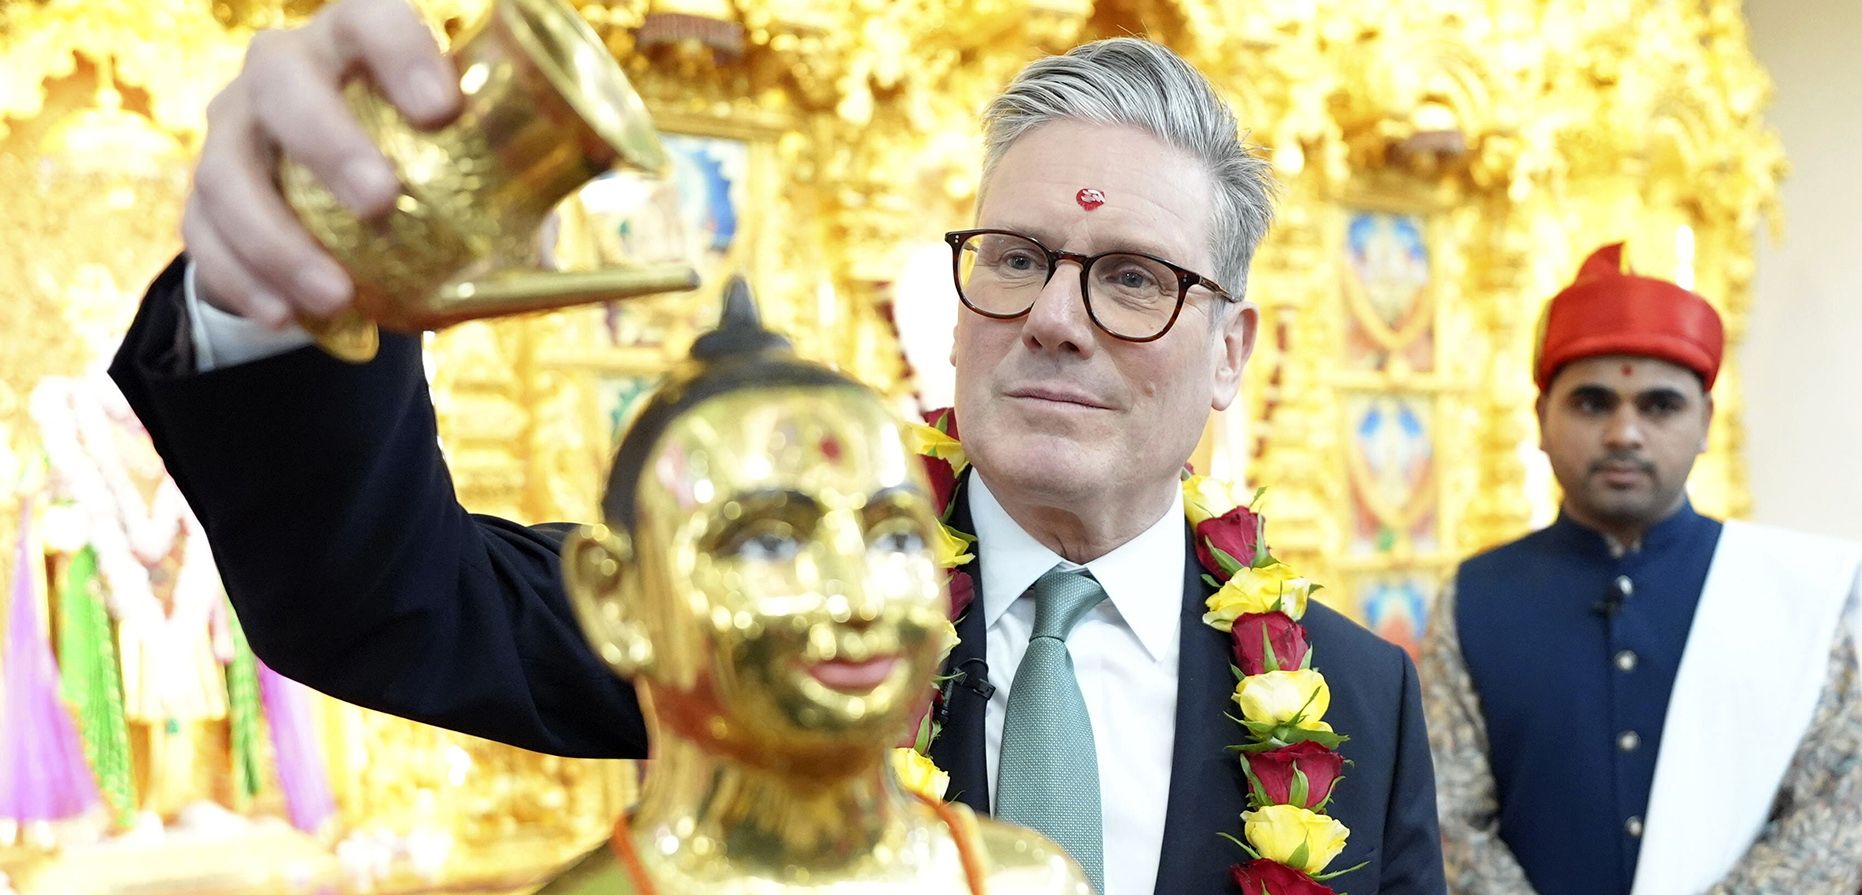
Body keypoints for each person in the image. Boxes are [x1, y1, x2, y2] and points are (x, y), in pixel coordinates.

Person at [108, 1, 1445, 892]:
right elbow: (385, 599)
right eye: (1019, 257)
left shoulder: (1352, 697)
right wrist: (281, 300)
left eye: (1136, 278)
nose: (1051, 317)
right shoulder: (749, 591)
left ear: (1233, 350)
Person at [532, 280, 1087, 895]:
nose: (858, 599)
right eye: (770, 543)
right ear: (616, 599)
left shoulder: (1025, 882)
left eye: (895, 538)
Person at [1420, 244, 1862, 894]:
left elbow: (1827, 819)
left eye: (1659, 406)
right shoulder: (1477, 596)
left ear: (1707, 421)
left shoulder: (1792, 596)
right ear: (1541, 418)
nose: (1624, 432)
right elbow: (1450, 820)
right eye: (1592, 403)